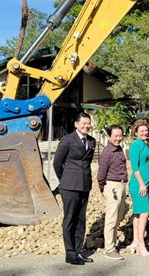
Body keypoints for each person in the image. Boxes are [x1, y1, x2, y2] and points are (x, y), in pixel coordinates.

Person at [53, 112, 96, 265]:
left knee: (81, 219)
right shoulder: (67, 140)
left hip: (85, 185)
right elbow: (57, 163)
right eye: (83, 123)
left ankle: (78, 252)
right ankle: (70, 253)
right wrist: (64, 180)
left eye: (88, 123)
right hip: (69, 186)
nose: (86, 125)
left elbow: (87, 163)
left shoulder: (92, 141)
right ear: (76, 124)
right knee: (70, 219)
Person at [97, 125, 128, 260]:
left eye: (120, 136)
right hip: (112, 186)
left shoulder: (119, 149)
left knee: (117, 217)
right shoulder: (107, 152)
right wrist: (104, 189)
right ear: (109, 137)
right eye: (115, 136)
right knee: (111, 218)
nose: (118, 138)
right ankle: (109, 249)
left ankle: (113, 245)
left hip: (121, 185)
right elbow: (101, 174)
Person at [128, 120, 149, 257]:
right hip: (138, 184)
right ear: (135, 133)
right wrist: (142, 184)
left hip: (145, 183)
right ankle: (141, 244)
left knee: (137, 214)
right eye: (141, 131)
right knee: (144, 213)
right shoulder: (136, 145)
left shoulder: (145, 144)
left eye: (145, 130)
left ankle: (135, 241)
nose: (144, 132)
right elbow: (135, 167)